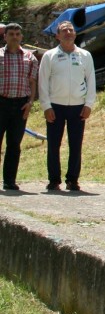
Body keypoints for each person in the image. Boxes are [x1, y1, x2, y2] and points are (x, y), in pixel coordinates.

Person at [38, 21, 95, 192]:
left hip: (78, 106)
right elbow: (43, 82)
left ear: (75, 34)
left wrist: (89, 104)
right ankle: (54, 180)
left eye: (71, 30)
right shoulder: (49, 56)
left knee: (76, 144)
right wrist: (46, 106)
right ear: (57, 35)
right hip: (55, 106)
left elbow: (91, 80)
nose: (68, 33)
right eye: (64, 30)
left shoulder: (85, 55)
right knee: (53, 145)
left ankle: (72, 180)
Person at [1, 23, 38, 191]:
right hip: (1, 102)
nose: (14, 37)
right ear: (5, 37)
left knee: (14, 144)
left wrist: (30, 103)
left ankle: (9, 181)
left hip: (20, 106)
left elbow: (32, 82)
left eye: (17, 34)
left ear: (21, 37)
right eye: (11, 34)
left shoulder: (30, 58)